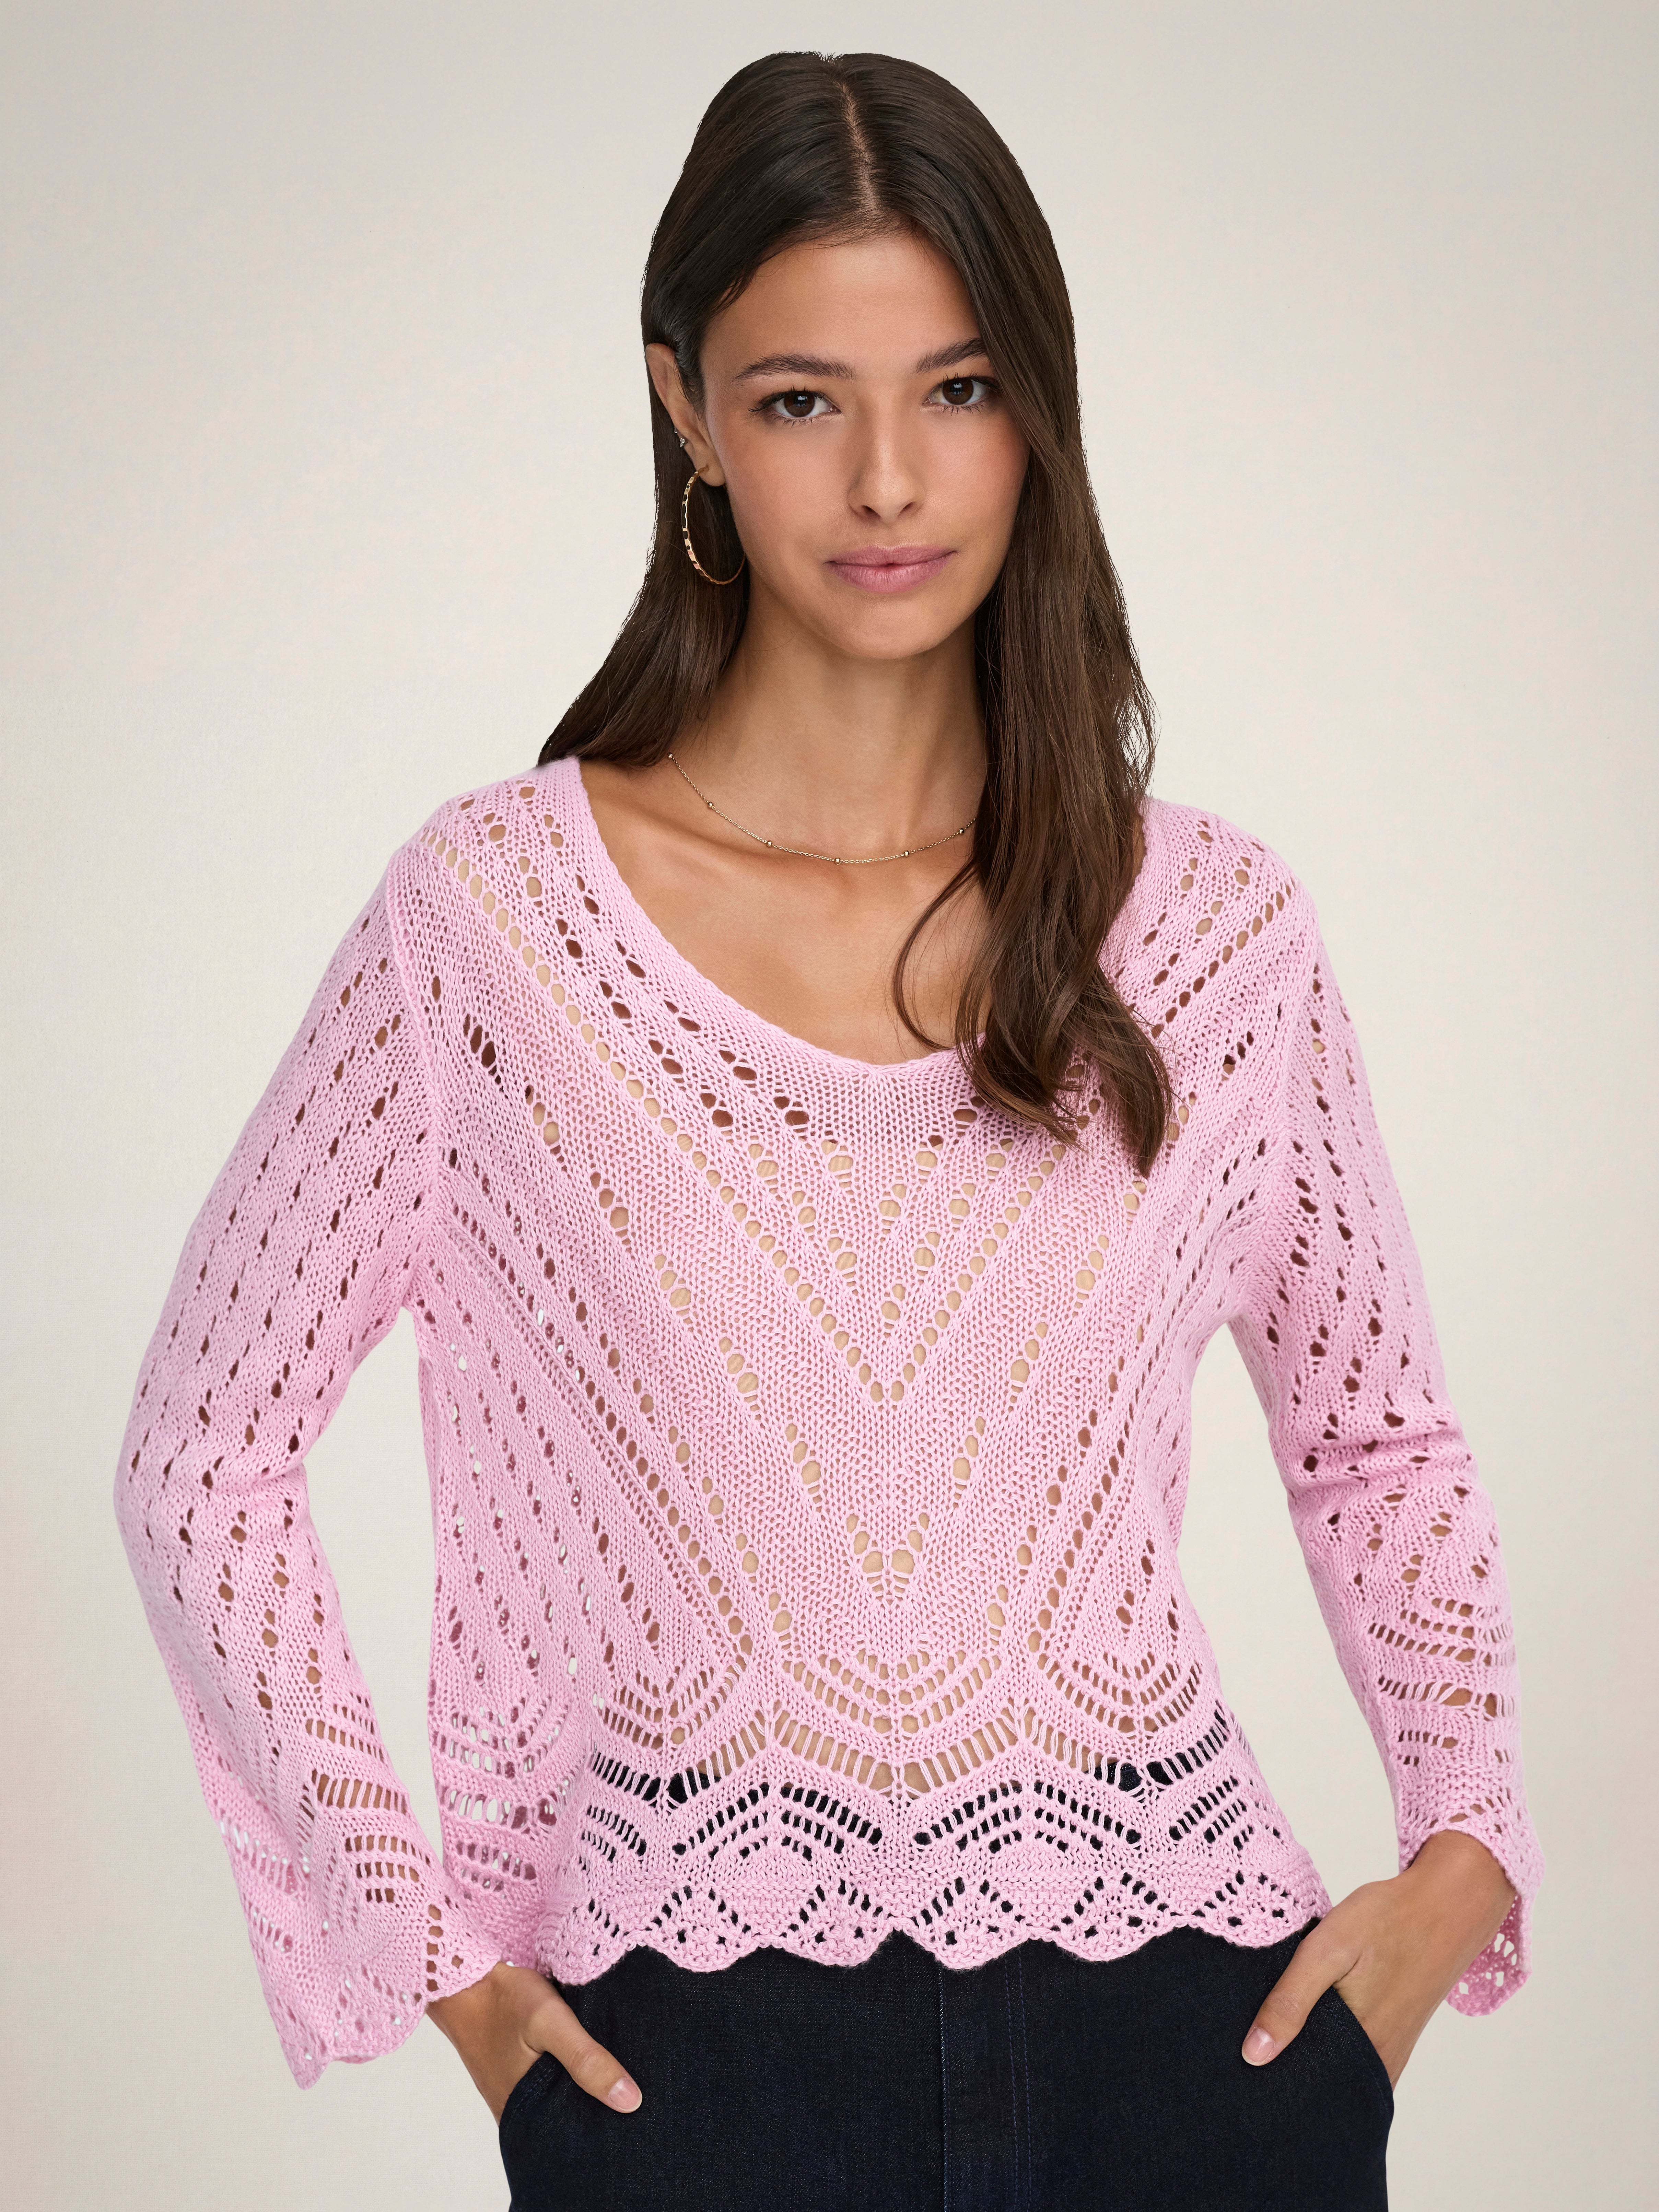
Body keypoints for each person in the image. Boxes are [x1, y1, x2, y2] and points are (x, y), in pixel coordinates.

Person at [114, 49, 1543, 2212]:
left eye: (956, 390)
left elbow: (1376, 1440)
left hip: (1193, 2041)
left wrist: (1459, 1852)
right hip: (697, 2069)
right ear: (686, 410)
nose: (888, 479)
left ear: (1037, 408)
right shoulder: (493, 931)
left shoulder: (1215, 932)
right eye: (801, 401)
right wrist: (431, 1958)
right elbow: (203, 1455)